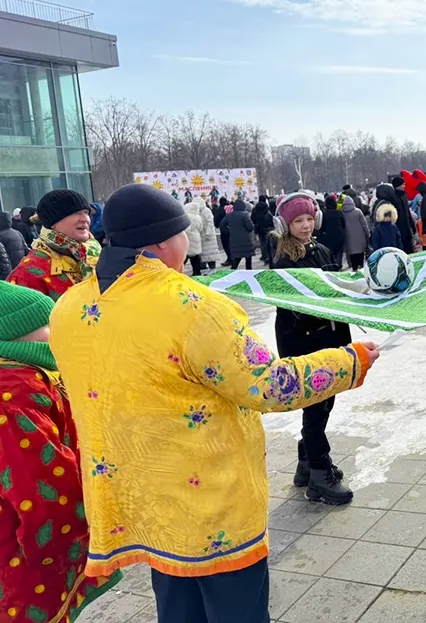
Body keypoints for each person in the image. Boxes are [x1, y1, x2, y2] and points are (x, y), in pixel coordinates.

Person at [48, 183, 379, 623]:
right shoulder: (192, 306)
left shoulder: (67, 308)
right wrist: (349, 361)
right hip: (211, 509)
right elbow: (268, 384)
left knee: (178, 609)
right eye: (185, 233)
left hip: (147, 504)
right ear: (165, 241)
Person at [0, 281, 123, 621]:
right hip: (21, 559)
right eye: (46, 327)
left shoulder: (32, 379)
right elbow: (44, 493)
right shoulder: (14, 395)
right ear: (12, 338)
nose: (56, 334)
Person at [271, 193, 355, 504]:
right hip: (305, 343)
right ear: (285, 225)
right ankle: (319, 473)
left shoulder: (320, 250)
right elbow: (298, 308)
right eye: (298, 221)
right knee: (316, 407)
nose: (305, 226)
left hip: (329, 341)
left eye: (308, 219)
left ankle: (305, 464)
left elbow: (337, 289)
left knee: (324, 404)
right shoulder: (284, 261)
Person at [7, 189, 100, 301]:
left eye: (86, 213)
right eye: (75, 213)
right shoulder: (28, 273)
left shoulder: (94, 252)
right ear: (53, 223)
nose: (85, 219)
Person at [220, 198, 255, 270]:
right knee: (248, 262)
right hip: (246, 241)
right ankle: (249, 275)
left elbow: (221, 225)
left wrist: (229, 231)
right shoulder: (245, 215)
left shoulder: (229, 215)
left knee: (236, 259)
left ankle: (231, 274)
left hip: (234, 240)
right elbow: (250, 227)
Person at [389, 177, 418, 253]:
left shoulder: (404, 195)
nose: (404, 186)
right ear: (398, 185)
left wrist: (412, 226)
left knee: (409, 247)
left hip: (407, 226)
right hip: (399, 226)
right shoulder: (392, 197)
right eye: (403, 184)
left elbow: (407, 212)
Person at [342, 195, 370, 271]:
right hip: (360, 237)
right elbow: (364, 224)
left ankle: (354, 269)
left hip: (348, 237)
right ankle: (361, 268)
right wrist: (367, 233)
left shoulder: (342, 213)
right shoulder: (358, 211)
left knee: (352, 255)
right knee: (360, 253)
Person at [320, 195, 346, 268]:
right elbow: (343, 224)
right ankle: (339, 265)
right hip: (340, 234)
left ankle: (334, 266)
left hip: (329, 235)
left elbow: (322, 227)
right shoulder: (339, 212)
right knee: (339, 251)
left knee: (331, 252)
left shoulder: (324, 214)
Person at [183, 197, 206, 276]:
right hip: (197, 237)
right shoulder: (198, 216)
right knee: (195, 256)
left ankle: (177, 270)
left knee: (184, 256)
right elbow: (201, 228)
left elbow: (186, 229)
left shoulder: (187, 216)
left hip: (189, 238)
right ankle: (197, 272)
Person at [251, 195, 275, 267]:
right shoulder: (267, 208)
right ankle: (268, 256)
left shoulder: (254, 209)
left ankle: (263, 256)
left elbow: (252, 218)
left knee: (262, 242)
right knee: (268, 242)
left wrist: (256, 223)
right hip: (267, 227)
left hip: (259, 227)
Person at [199, 198, 221, 270]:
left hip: (208, 235)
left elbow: (210, 222)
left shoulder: (206, 211)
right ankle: (204, 267)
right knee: (205, 253)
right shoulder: (199, 212)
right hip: (202, 235)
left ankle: (212, 268)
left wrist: (208, 233)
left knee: (210, 252)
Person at [214, 196, 232, 266]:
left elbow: (217, 220)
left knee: (226, 245)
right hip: (232, 229)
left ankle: (230, 258)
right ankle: (232, 258)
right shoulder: (231, 208)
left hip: (224, 230)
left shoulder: (221, 209)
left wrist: (217, 225)